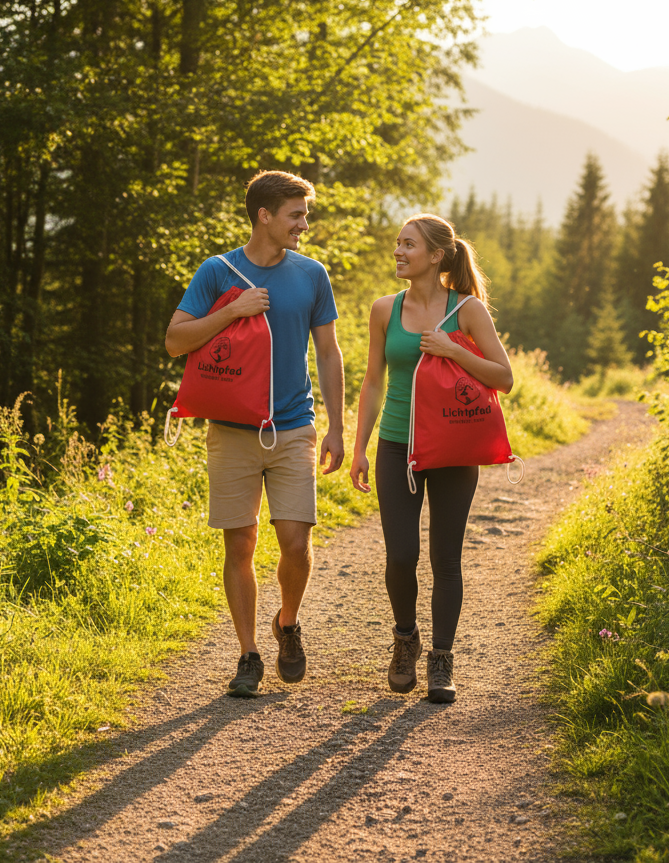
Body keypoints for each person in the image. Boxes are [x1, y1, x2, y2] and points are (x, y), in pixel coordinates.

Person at [165, 171, 345, 698]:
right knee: (239, 542)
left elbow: (329, 352)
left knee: (295, 540)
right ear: (264, 215)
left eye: (304, 215)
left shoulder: (312, 274)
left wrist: (336, 426)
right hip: (230, 431)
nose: (303, 225)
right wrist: (231, 311)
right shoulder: (217, 272)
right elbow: (176, 340)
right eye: (296, 214)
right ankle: (248, 654)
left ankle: (287, 623)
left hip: (293, 427)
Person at [349, 214, 513, 703]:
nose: (398, 252)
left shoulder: (467, 310)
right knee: (401, 555)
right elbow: (373, 381)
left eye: (409, 245)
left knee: (446, 557)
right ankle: (405, 640)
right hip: (397, 445)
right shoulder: (385, 309)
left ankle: (442, 659)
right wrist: (360, 445)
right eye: (397, 243)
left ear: (437, 255)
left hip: (452, 447)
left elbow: (503, 377)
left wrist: (451, 350)